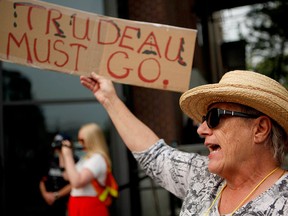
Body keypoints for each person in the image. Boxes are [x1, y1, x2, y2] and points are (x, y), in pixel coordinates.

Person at [80, 70, 288, 215]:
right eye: (203, 120)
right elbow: (155, 155)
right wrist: (109, 99)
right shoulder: (203, 176)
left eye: (214, 118)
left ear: (259, 129)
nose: (201, 129)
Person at [61, 123, 115, 216]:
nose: (80, 143)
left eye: (82, 140)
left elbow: (77, 182)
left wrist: (68, 155)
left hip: (89, 207)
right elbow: (66, 176)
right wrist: (62, 155)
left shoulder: (98, 159)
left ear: (91, 140)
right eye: (78, 140)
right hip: (77, 205)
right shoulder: (86, 159)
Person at [39, 133, 72, 216]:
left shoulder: (73, 160)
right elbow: (42, 181)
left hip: (65, 202)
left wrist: (56, 195)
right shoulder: (50, 160)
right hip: (49, 203)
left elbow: (72, 183)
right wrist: (45, 195)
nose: (57, 148)